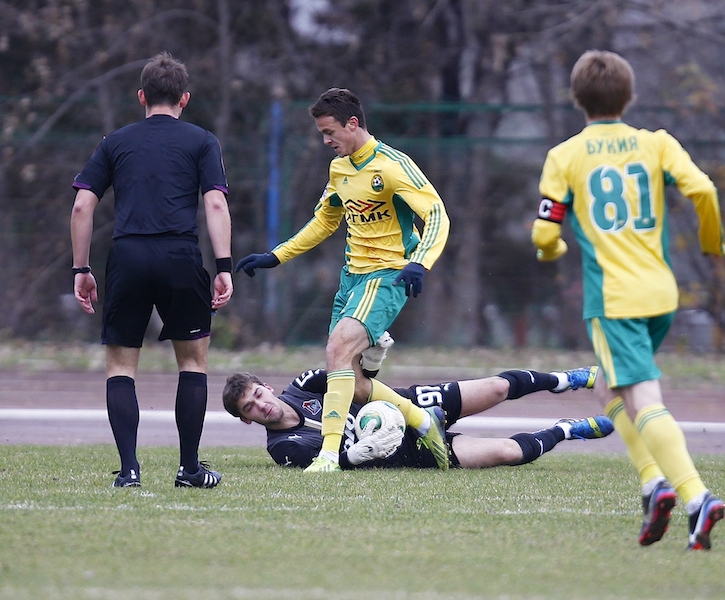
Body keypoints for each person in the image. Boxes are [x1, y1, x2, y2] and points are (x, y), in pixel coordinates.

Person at [531, 50, 724, 550]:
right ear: (628, 95)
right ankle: (651, 483)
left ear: (577, 99)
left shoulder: (565, 156)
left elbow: (544, 232)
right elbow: (703, 190)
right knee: (608, 390)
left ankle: (695, 496)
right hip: (661, 293)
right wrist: (712, 243)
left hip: (614, 299)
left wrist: (551, 247)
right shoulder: (656, 144)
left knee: (643, 399)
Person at [235, 88, 451, 473]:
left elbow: (436, 213)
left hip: (387, 274)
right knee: (351, 380)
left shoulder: (391, 165)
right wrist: (276, 255)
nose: (325, 141)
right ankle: (421, 420)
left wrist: (420, 262)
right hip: (352, 279)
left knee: (335, 349)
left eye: (329, 132)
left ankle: (329, 456)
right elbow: (325, 220)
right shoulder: (339, 168)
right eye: (321, 133)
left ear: (353, 124)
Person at [70, 52, 233, 489]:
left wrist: (81, 268)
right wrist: (224, 266)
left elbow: (84, 203)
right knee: (192, 363)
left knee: (121, 366)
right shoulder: (202, 141)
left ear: (141, 96)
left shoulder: (114, 141)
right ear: (185, 98)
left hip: (127, 256)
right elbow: (215, 202)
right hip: (179, 255)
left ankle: (129, 471)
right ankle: (190, 470)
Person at [221, 364, 611, 470]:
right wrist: (353, 457)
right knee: (509, 453)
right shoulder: (282, 447)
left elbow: (350, 376)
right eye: (250, 409)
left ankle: (564, 380)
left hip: (410, 404)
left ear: (266, 387)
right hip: (410, 450)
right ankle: (565, 430)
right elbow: (329, 461)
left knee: (495, 388)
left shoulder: (305, 384)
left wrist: (370, 363)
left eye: (258, 395)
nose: (261, 406)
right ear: (246, 420)